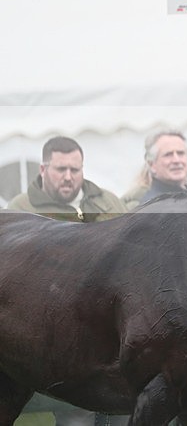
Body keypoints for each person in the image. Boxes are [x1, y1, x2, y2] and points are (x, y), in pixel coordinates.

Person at [6, 136, 126, 426]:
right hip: (53, 321)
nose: (69, 177)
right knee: (74, 410)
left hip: (108, 320)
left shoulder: (108, 202)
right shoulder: (20, 209)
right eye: (61, 169)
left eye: (75, 169)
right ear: (44, 170)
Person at [139, 129, 187, 203]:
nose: (176, 160)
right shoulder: (153, 205)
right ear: (152, 165)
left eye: (180, 153)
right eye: (168, 154)